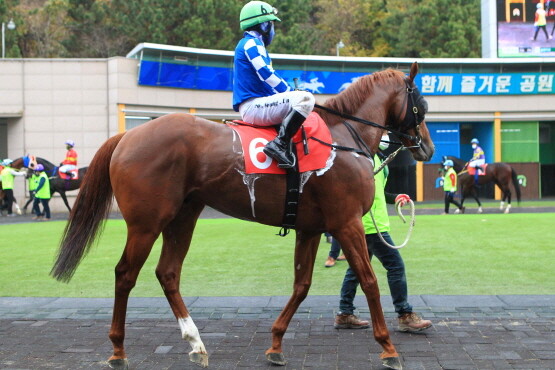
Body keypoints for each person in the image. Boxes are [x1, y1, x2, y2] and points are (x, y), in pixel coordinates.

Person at [334, 135, 432, 333]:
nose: (386, 137)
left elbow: (377, 192)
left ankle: (344, 314)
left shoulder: (376, 159)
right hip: (369, 225)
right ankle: (404, 315)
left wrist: (395, 197)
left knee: (356, 270)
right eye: (382, 133)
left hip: (371, 224)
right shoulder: (362, 159)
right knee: (395, 266)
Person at [233, 1, 315, 169]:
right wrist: (291, 91)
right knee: (305, 99)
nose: (273, 30)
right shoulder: (251, 44)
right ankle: (279, 144)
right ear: (264, 26)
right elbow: (267, 74)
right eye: (272, 24)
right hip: (253, 106)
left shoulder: (252, 44)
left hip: (256, 104)